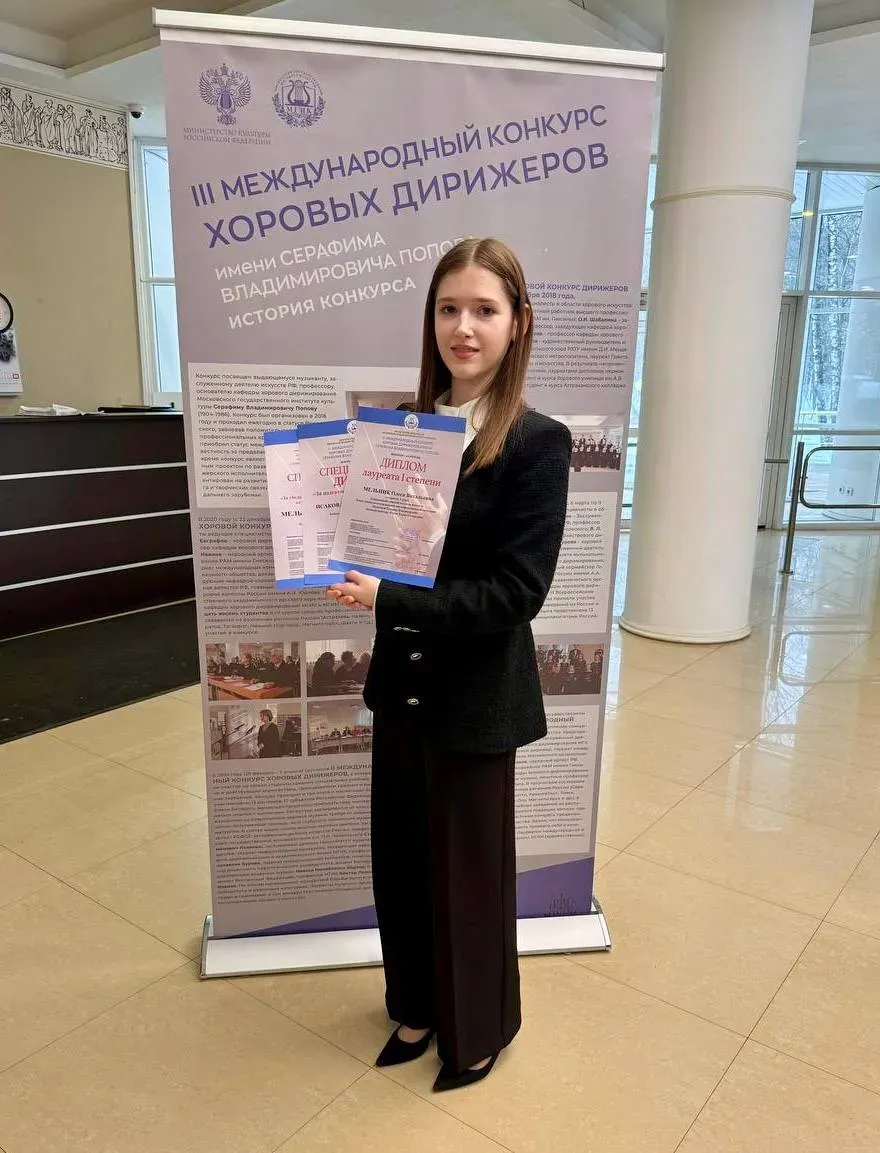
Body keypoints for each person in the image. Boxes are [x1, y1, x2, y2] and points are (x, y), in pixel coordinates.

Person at [327, 238, 571, 1093]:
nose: (463, 328)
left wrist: (389, 596)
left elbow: (515, 593)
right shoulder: (402, 430)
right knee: (401, 860)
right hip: (403, 684)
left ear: (518, 323)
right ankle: (418, 1004)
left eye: (484, 310)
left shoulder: (538, 442)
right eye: (448, 309)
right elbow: (387, 550)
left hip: (476, 697)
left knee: (467, 873)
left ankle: (479, 1028)